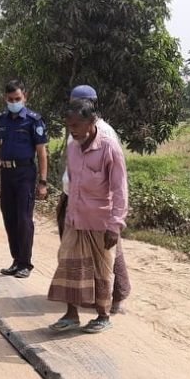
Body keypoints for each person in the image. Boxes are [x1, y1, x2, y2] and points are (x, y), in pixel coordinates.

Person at [48, 98, 128, 334]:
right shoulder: (73, 147)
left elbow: (120, 189)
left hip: (100, 222)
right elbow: (72, 183)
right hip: (75, 220)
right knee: (68, 264)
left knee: (102, 270)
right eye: (69, 126)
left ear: (92, 122)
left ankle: (103, 315)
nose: (72, 130)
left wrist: (115, 225)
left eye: (76, 125)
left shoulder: (109, 148)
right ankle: (71, 314)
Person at [0, 80, 48, 279]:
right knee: (9, 218)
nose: (14, 102)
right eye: (10, 99)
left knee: (24, 219)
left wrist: (42, 182)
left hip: (25, 175)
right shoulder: (2, 119)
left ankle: (25, 263)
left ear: (25, 97)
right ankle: (16, 260)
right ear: (5, 98)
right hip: (6, 174)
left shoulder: (33, 120)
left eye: (17, 99)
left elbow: (41, 153)